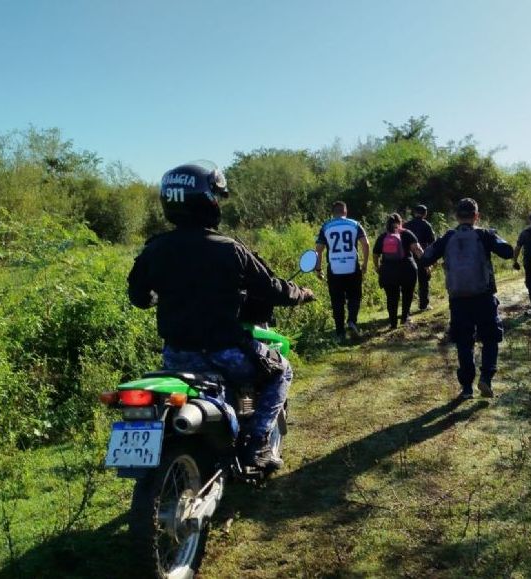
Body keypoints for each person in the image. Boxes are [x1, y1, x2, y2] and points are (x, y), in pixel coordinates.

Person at [127, 161, 314, 470]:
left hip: (177, 357)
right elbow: (270, 289)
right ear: (208, 200)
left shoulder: (155, 249)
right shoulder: (229, 249)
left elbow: (139, 297)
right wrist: (301, 293)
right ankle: (258, 444)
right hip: (224, 352)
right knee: (282, 372)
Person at [421, 198, 514, 399]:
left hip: (458, 299)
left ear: (456, 216)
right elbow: (508, 252)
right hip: (483, 296)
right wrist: (493, 234)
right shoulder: (483, 234)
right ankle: (486, 378)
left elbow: (425, 259)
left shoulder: (448, 237)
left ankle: (466, 388)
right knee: (490, 338)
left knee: (464, 342)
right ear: (476, 216)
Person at [315, 201, 370, 341]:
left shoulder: (326, 226)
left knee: (337, 301)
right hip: (352, 267)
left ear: (333, 213)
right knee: (354, 296)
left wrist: (318, 269)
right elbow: (366, 243)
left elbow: (319, 250)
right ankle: (352, 321)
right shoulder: (355, 224)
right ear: (345, 212)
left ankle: (340, 332)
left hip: (334, 269)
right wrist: (364, 264)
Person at [373, 213, 424, 329]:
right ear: (401, 223)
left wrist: (377, 268)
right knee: (407, 294)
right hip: (407, 269)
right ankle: (404, 318)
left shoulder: (383, 237)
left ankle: (393, 322)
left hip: (388, 270)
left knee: (391, 297)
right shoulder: (407, 234)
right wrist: (426, 264)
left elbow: (375, 254)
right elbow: (418, 250)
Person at [404, 204, 437, 311]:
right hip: (423, 255)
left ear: (414, 213)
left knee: (408, 281)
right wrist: (433, 259)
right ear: (425, 214)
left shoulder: (407, 225)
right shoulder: (426, 225)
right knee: (424, 280)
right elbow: (433, 243)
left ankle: (406, 308)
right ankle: (424, 305)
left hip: (408, 255)